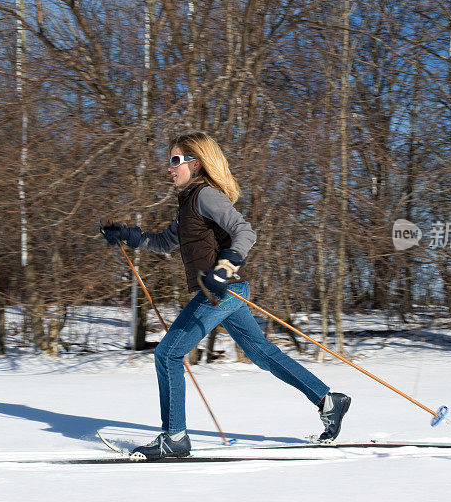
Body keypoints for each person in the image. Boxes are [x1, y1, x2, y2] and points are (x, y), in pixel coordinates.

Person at [101, 131, 350, 460]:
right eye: (169, 161)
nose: (170, 168)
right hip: (226, 293)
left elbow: (246, 231)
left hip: (221, 291)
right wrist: (129, 236)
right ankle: (327, 400)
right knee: (261, 353)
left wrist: (225, 267)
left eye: (176, 161)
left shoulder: (206, 196)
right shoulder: (188, 204)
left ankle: (174, 437)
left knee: (168, 354)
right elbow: (164, 243)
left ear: (196, 163)